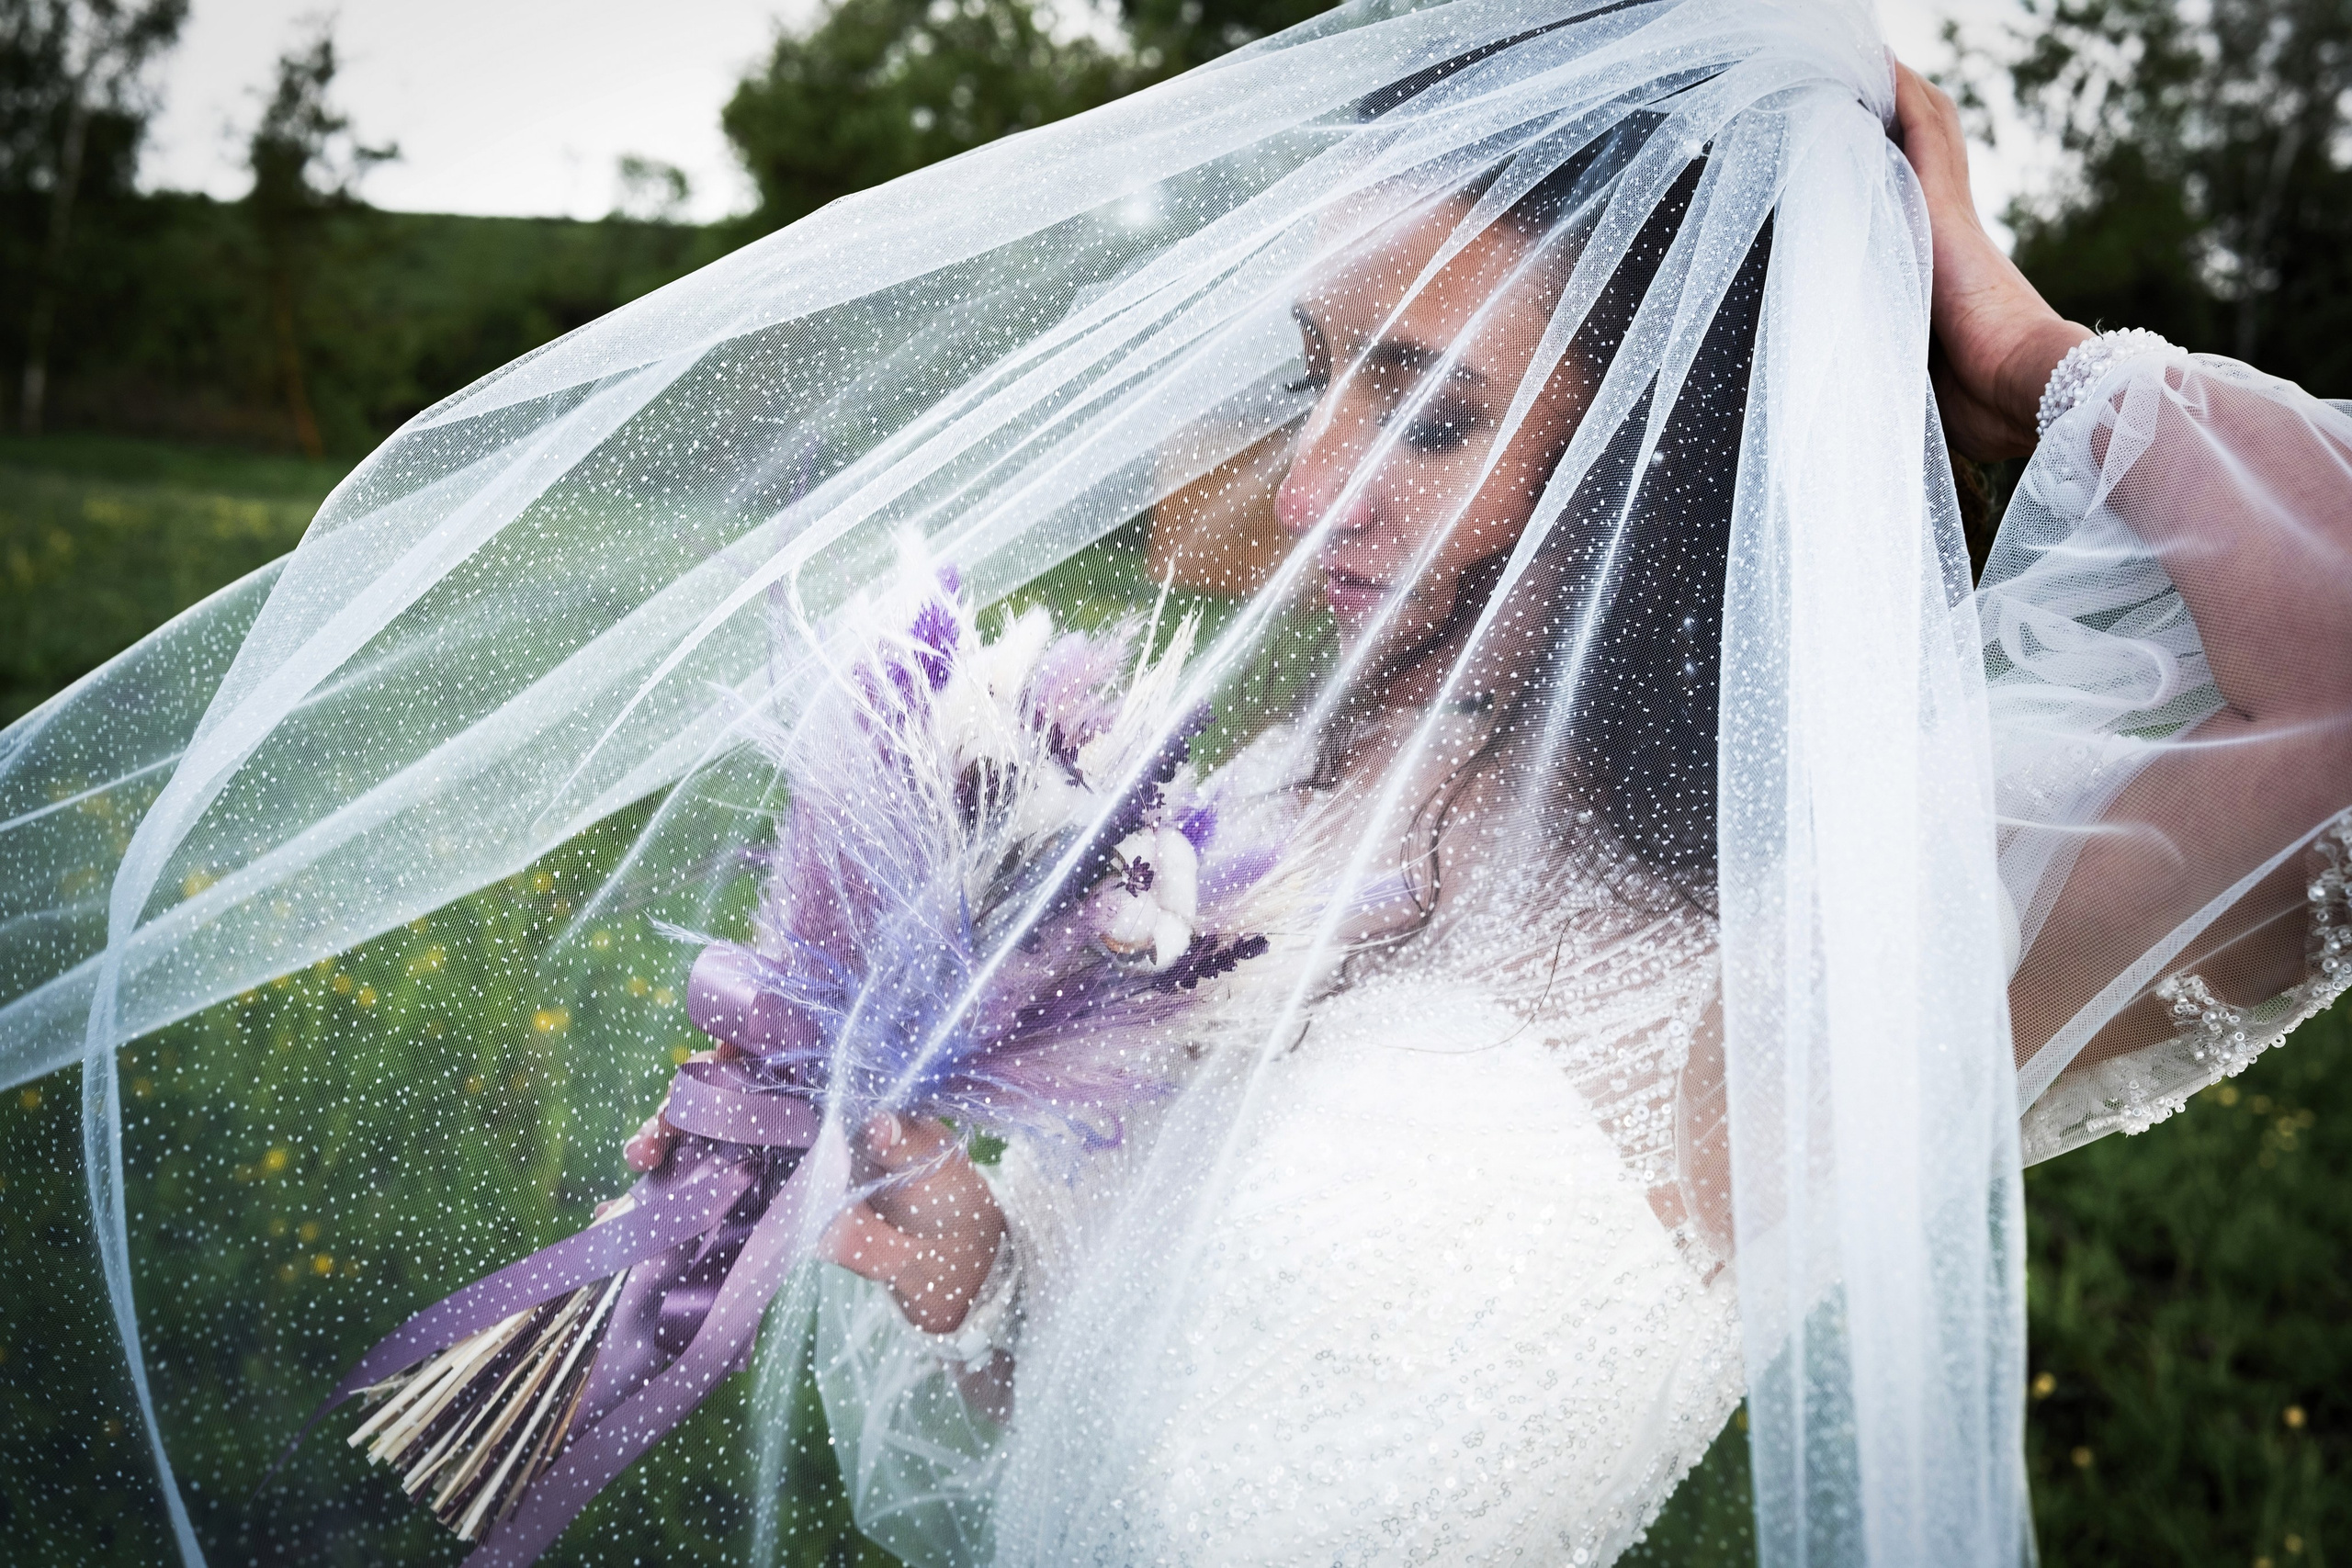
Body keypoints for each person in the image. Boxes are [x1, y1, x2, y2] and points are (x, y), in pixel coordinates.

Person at [5, 5, 2346, 1565]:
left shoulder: (1830, 922)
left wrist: (2012, 341)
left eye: (1431, 409)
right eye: (1322, 373)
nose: (1306, 490)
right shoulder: (1317, 784)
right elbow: (1147, 1368)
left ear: (1659, 454)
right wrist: (969, 1263)